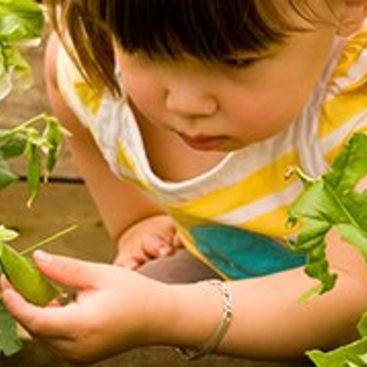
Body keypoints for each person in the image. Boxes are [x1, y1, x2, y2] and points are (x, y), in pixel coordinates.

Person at [2, 0, 367, 363]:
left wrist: (166, 312)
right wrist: (134, 221)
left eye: (237, 61)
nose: (185, 102)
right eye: (145, 51)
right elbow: (62, 74)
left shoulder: (355, 103)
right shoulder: (96, 71)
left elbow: (352, 294)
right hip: (228, 273)